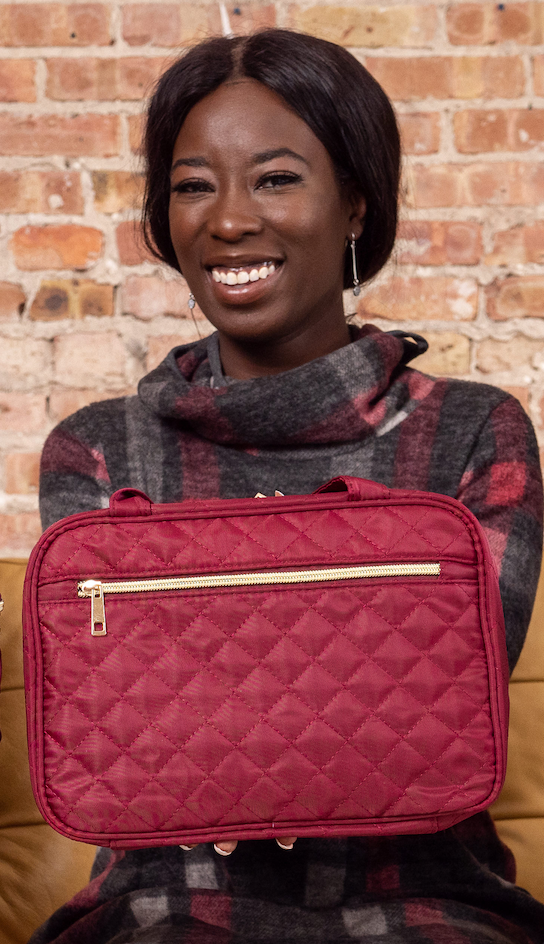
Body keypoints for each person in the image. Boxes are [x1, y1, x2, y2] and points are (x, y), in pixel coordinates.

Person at [33, 28, 544, 944]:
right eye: (194, 186)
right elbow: (111, 740)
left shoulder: (474, 431)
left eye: (275, 178)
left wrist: (201, 684)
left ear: (354, 204)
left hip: (429, 903)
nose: (229, 220)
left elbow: (438, 721)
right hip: (162, 906)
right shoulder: (97, 449)